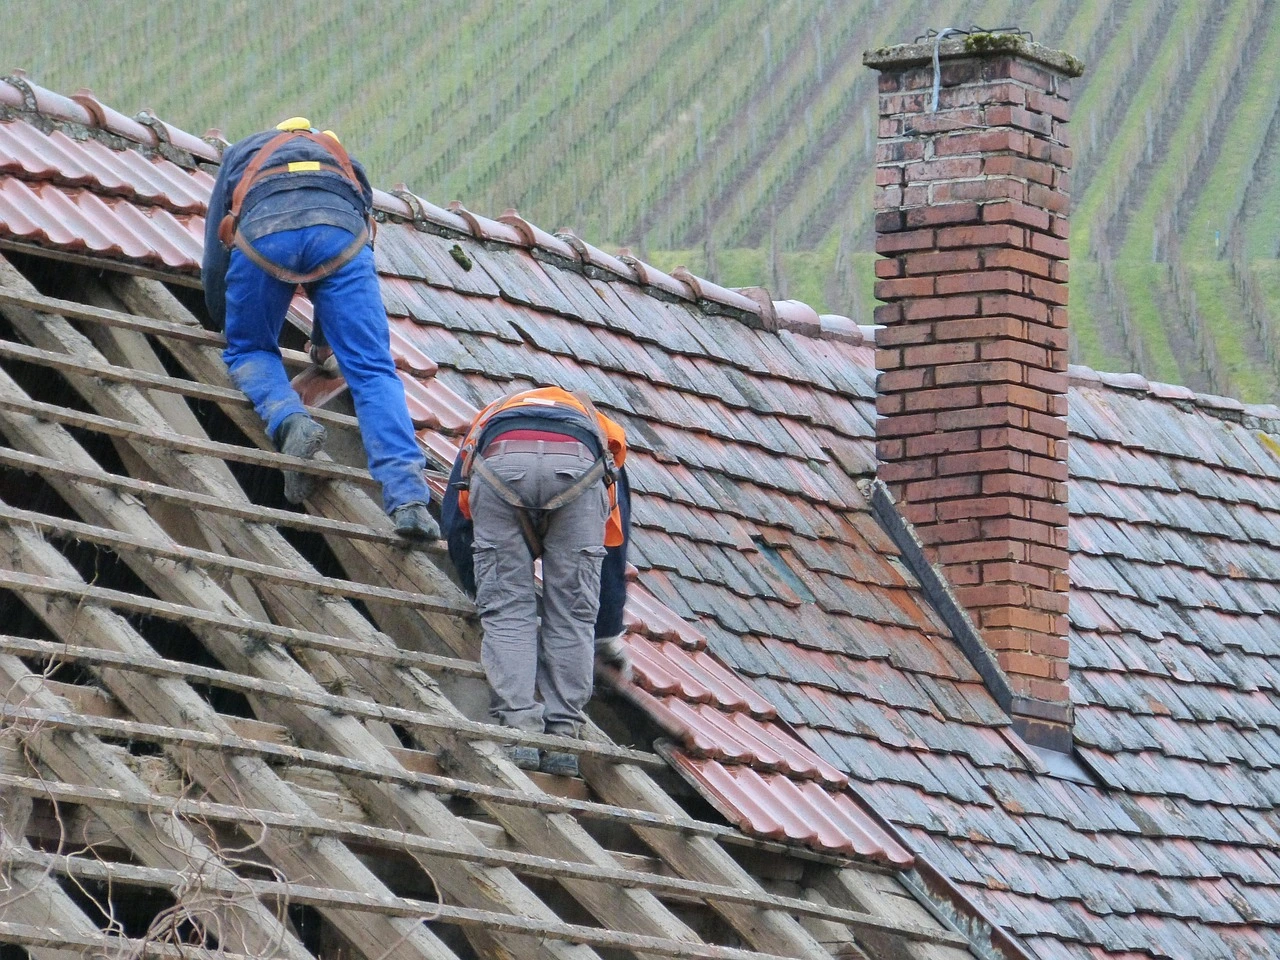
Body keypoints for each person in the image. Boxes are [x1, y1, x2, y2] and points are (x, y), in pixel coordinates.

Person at [202, 117, 438, 541]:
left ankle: (291, 421)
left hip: (263, 234)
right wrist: (326, 343)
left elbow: (216, 254)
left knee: (251, 350)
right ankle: (409, 502)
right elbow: (350, 247)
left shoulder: (243, 154)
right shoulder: (343, 159)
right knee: (371, 370)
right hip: (340, 237)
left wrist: (227, 322)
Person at [441, 387, 633, 776]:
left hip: (499, 466)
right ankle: (562, 737)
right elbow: (613, 539)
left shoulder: (487, 422)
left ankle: (519, 733)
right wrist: (608, 629)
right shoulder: (604, 432)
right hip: (581, 469)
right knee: (572, 614)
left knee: (509, 613)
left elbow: (456, 521)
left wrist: (481, 589)